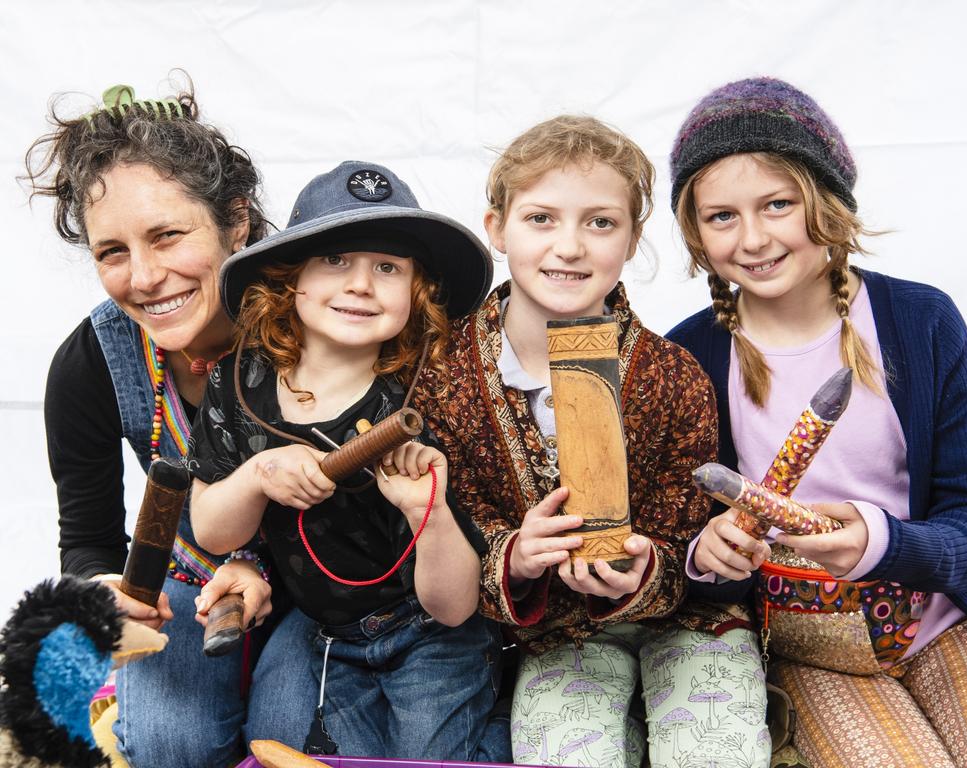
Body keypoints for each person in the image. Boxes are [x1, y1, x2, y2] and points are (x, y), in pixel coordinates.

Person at [667, 77, 967, 767]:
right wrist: (707, 557)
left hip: (949, 627)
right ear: (695, 230)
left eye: (778, 204)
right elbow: (678, 552)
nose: (753, 238)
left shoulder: (921, 323)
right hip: (808, 654)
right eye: (722, 216)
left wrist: (883, 541)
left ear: (826, 201)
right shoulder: (688, 356)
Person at [415, 115, 770, 768]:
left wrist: (645, 566)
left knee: (715, 751)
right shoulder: (444, 375)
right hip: (557, 636)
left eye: (600, 222)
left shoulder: (672, 374)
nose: (570, 247)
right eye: (542, 219)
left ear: (634, 237)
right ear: (497, 228)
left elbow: (688, 527)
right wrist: (515, 556)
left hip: (689, 624)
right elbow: (460, 527)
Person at [187, 160, 506, 762]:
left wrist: (427, 513)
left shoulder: (427, 396)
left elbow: (456, 604)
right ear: (291, 279)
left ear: (417, 295)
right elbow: (211, 529)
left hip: (430, 633)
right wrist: (256, 476)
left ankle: (493, 728)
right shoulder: (240, 380)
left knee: (427, 759)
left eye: (388, 268)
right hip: (326, 635)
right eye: (336, 261)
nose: (361, 284)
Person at [26, 80, 283, 767]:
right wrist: (105, 592)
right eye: (113, 252)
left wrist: (268, 576)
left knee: (290, 737)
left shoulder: (320, 315)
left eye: (168, 236)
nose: (144, 277)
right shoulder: (93, 363)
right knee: (172, 745)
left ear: (236, 220)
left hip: (332, 578)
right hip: (192, 579)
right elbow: (86, 541)